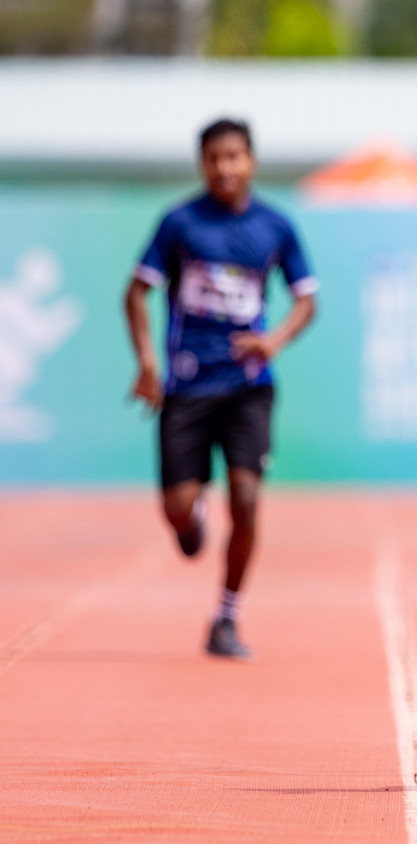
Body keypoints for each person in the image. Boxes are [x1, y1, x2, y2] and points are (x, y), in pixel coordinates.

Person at [124, 118, 318, 660]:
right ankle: (192, 516)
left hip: (248, 386)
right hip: (186, 386)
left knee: (248, 498)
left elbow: (307, 299)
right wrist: (146, 363)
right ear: (202, 164)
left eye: (234, 157)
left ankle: (226, 617)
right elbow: (135, 293)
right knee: (179, 514)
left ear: (251, 161)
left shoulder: (275, 227)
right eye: (214, 158)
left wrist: (274, 340)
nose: (225, 167)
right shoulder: (179, 223)